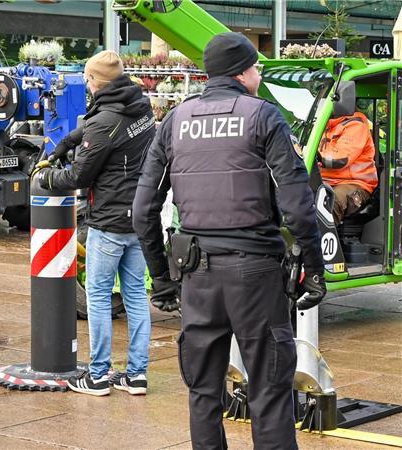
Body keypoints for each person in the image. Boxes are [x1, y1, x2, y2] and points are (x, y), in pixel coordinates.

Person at [132, 32, 327, 449]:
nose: (258, 73)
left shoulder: (175, 121)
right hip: (255, 271)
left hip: (196, 273)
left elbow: (143, 208)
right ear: (242, 72)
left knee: (203, 391)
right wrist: (314, 267)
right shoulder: (263, 116)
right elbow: (297, 203)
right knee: (270, 391)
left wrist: (161, 278)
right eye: (256, 66)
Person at [36, 50, 155, 396]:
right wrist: (67, 142)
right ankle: (136, 376)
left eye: (87, 79)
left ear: (94, 81)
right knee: (134, 295)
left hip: (108, 222)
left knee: (99, 297)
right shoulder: (140, 107)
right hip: (138, 217)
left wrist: (47, 179)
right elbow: (99, 129)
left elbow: (79, 174)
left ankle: (98, 375)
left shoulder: (105, 122)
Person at [318, 81, 378, 224]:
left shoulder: (356, 126)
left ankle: (316, 243)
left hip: (354, 183)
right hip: (325, 181)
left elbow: (340, 159)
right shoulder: (323, 126)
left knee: (329, 203)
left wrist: (314, 156)